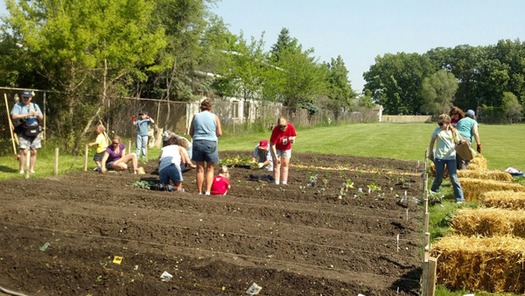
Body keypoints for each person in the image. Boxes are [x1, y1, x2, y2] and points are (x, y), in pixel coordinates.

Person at [428, 114, 465, 204]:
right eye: (439, 123)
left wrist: (461, 142)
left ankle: (460, 198)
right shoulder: (437, 131)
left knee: (453, 177)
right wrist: (430, 153)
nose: (440, 125)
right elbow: (432, 142)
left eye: (442, 123)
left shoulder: (453, 131)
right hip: (439, 157)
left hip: (451, 157)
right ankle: (433, 194)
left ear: (448, 123)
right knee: (439, 177)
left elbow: (458, 141)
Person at [189, 98, 222, 195]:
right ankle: (207, 191)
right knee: (210, 168)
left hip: (198, 142)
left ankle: (199, 191)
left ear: (201, 107)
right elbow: (219, 133)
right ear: (210, 107)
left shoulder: (196, 116)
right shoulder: (214, 117)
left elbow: (191, 132)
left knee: (199, 169)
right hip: (211, 143)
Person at [11, 90, 44, 174]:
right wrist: (27, 114)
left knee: (34, 151)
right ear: (22, 97)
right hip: (24, 130)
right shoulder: (17, 105)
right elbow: (14, 116)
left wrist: (37, 115)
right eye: (24, 97)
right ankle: (21, 169)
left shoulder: (35, 106)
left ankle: (31, 169)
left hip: (35, 130)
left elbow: (41, 118)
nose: (25, 99)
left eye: (27, 97)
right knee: (23, 151)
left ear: (31, 98)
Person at [270, 116, 297, 185]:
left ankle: (284, 182)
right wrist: (275, 156)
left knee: (285, 164)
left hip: (286, 148)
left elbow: (294, 135)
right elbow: (272, 144)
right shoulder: (276, 130)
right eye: (280, 126)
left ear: (287, 124)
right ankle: (276, 182)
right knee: (277, 164)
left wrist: (293, 140)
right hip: (277, 148)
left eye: (284, 126)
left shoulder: (290, 127)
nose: (282, 128)